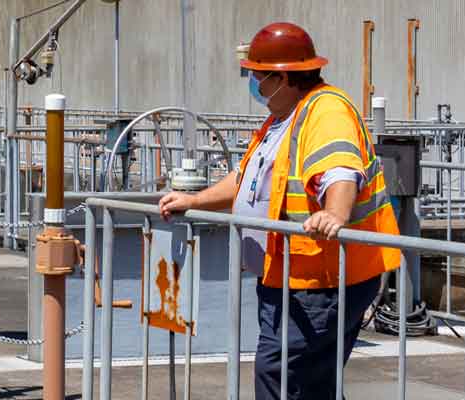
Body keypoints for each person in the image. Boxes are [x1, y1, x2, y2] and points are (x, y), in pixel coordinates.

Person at [155, 22, 401, 400]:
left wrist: (335, 213)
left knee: (283, 373)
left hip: (323, 279)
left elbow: (339, 171)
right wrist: (195, 200)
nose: (253, 82)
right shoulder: (284, 116)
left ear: (282, 77)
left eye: (257, 75)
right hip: (290, 275)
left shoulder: (326, 112)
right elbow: (247, 179)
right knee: (307, 380)